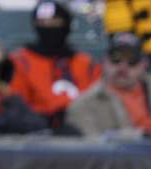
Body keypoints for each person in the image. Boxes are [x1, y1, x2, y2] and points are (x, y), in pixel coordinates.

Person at [66, 32, 151, 140]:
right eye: (116, 58)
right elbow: (89, 150)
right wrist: (134, 140)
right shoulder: (84, 105)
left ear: (144, 65)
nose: (123, 66)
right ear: (104, 61)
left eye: (132, 60)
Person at [7, 0, 101, 128]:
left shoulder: (86, 63)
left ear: (66, 25)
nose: (48, 28)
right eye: (42, 23)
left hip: (83, 131)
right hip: (35, 133)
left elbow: (97, 103)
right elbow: (15, 105)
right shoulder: (19, 61)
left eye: (55, 23)